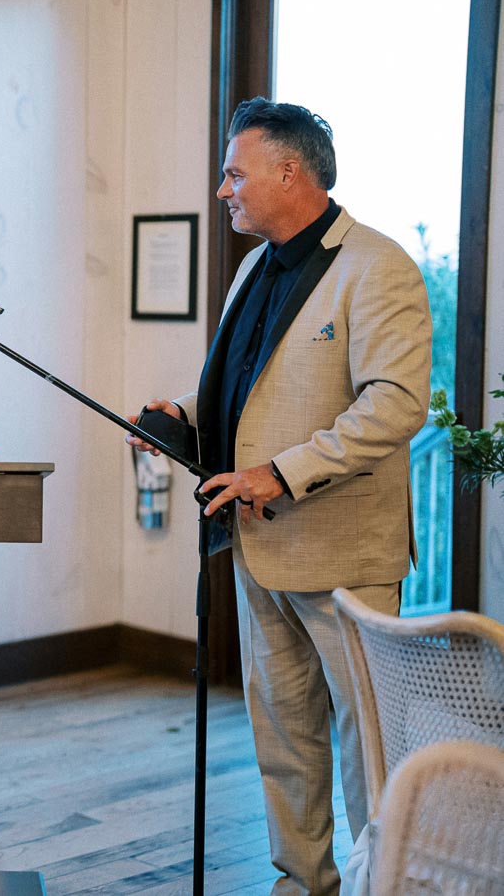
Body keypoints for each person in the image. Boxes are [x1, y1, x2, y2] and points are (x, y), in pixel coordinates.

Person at [129, 98, 431, 895]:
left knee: (369, 743)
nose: (224, 188)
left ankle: (384, 884)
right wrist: (180, 420)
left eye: (235, 172)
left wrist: (282, 472)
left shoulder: (379, 265)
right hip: (258, 551)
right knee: (285, 741)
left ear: (289, 171)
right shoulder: (251, 270)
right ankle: (301, 884)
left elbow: (396, 404)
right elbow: (246, 394)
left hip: (343, 554)